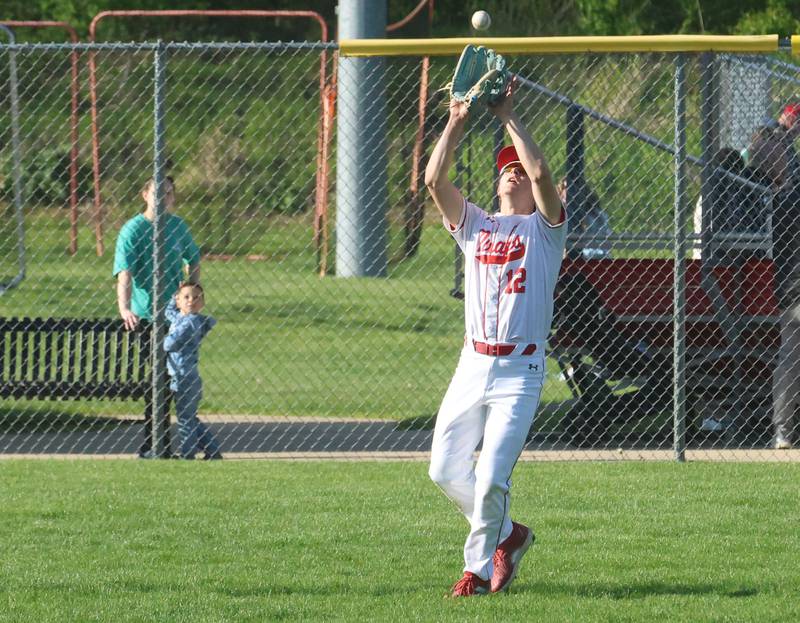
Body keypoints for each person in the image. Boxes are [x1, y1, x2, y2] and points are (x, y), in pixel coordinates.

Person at [425, 76, 566, 597]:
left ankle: (477, 572)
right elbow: (434, 181)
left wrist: (508, 114)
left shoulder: (545, 233)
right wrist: (456, 122)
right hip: (472, 365)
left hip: (519, 372)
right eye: (504, 167)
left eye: (518, 170)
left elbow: (543, 170)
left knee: (490, 479)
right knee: (443, 469)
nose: (513, 172)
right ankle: (511, 534)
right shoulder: (476, 226)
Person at [112, 176, 201, 458]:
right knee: (157, 381)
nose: (163, 199)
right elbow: (125, 273)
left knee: (178, 381)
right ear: (145, 195)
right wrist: (125, 308)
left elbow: (194, 260)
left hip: (175, 319)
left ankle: (174, 443)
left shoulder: (177, 226)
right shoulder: (133, 230)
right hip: (148, 318)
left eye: (169, 194)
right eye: (157, 193)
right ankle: (154, 443)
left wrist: (190, 297)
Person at [164, 282, 222, 460]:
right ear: (178, 300)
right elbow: (168, 312)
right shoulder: (180, 317)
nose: (191, 301)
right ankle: (212, 450)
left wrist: (163, 338)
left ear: (202, 302)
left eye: (196, 297)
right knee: (189, 417)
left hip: (184, 376)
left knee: (185, 419)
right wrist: (176, 292)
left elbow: (169, 344)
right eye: (186, 297)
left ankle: (188, 454)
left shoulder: (190, 322)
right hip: (180, 375)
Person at [556, 176, 612, 259]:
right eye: (565, 188)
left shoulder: (595, 216)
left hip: (592, 260)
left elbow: (601, 249)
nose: (568, 192)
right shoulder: (557, 216)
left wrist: (580, 253)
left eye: (573, 188)